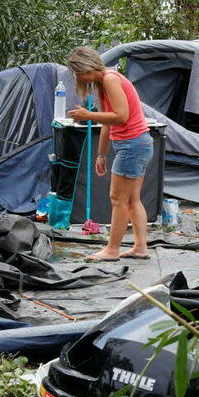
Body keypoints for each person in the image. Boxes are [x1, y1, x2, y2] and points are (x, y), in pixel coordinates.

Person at [66, 46, 153, 261]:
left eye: (78, 72)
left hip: (132, 145)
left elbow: (121, 116)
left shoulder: (110, 79)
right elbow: (107, 123)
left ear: (86, 67)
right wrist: (101, 155)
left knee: (118, 199)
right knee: (132, 199)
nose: (78, 77)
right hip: (136, 144)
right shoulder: (103, 83)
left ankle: (112, 250)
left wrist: (88, 115)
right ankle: (141, 248)